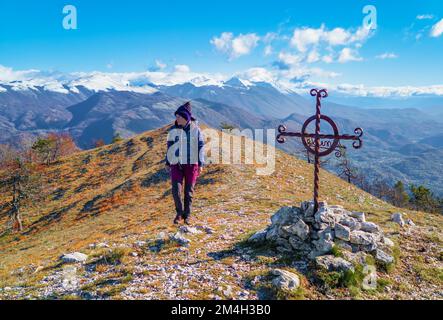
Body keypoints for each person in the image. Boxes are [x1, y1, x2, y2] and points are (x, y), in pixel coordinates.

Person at [165, 101, 205, 225]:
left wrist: (201, 163)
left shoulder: (196, 130)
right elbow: (169, 145)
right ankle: (179, 213)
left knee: (188, 191)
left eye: (178, 116)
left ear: (185, 118)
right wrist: (167, 161)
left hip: (192, 164)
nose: (176, 119)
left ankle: (187, 215)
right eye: (176, 116)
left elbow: (201, 146)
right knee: (176, 190)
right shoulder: (173, 129)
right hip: (176, 164)